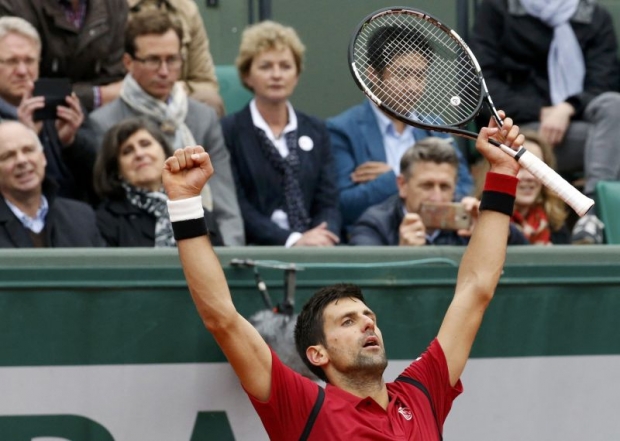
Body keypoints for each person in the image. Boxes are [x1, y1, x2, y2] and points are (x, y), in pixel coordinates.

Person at [161, 111, 524, 439]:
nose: (368, 325)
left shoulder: (421, 393)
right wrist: (184, 202)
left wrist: (503, 173)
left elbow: (476, 289)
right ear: (317, 354)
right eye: (347, 322)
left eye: (369, 317)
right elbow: (221, 318)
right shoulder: (304, 409)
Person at [87, 9, 244, 246]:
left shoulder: (203, 117)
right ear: (128, 62)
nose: (163, 71)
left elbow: (224, 201)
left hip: (206, 237)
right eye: (152, 60)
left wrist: (230, 257)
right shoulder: (104, 122)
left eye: (172, 59)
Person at [469, 0, 620, 243]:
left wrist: (568, 107)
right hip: (519, 131)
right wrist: (541, 111)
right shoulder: (497, 9)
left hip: (579, 132)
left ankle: (590, 215)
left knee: (614, 106)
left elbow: (604, 82)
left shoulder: (594, 16)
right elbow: (482, 84)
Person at [327, 25, 474, 234]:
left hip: (436, 243)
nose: (413, 87)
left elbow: (463, 187)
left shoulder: (437, 129)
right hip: (372, 247)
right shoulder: (342, 130)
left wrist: (400, 177)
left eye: (420, 76)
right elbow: (343, 206)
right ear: (373, 75)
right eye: (402, 75)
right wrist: (397, 181)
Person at [221, 21, 340, 247]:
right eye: (266, 66)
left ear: (296, 75)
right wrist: (293, 240)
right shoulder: (229, 131)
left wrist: (324, 236)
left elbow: (329, 202)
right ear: (247, 75)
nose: (276, 75)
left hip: (317, 249)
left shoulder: (316, 129)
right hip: (257, 253)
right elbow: (236, 204)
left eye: (285, 66)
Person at [349, 137, 527, 246]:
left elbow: (525, 255)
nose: (437, 197)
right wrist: (402, 256)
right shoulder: (374, 224)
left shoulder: (467, 214)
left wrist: (492, 228)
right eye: (426, 186)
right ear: (402, 185)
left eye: (445, 187)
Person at [0, 16, 96, 204]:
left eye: (29, 61)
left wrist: (71, 143)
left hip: (73, 215)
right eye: (11, 62)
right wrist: (27, 137)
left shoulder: (60, 103)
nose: (22, 71)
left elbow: (100, 176)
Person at [93, 118, 222, 247]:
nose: (139, 154)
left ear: (164, 152)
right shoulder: (106, 220)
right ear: (117, 170)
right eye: (127, 151)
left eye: (145, 144)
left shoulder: (194, 209)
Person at [0, 0, 128, 112]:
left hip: (99, 113)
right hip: (24, 115)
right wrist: (97, 95)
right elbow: (20, 86)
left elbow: (115, 76)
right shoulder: (14, 5)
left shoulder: (113, 4)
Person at [0, 121, 103, 247]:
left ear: (43, 157)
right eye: (8, 156)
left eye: (28, 150)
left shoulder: (81, 217)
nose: (22, 160)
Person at [127, 0, 225, 116]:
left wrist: (179, 90)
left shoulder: (186, 9)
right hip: (128, 95)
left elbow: (205, 81)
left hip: (179, 98)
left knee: (210, 100)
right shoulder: (109, 8)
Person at [509, 130, 571, 245]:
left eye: (536, 168)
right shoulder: (478, 219)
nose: (529, 177)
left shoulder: (556, 226)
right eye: (519, 167)